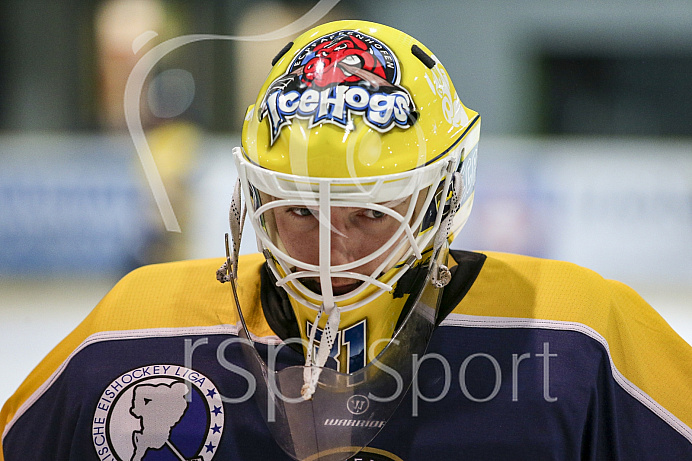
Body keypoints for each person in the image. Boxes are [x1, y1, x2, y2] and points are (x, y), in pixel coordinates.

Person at [1, 19, 691, 461]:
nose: (331, 253)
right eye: (299, 210)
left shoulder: (579, 335)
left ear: (439, 200)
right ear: (256, 198)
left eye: (368, 214)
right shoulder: (129, 333)